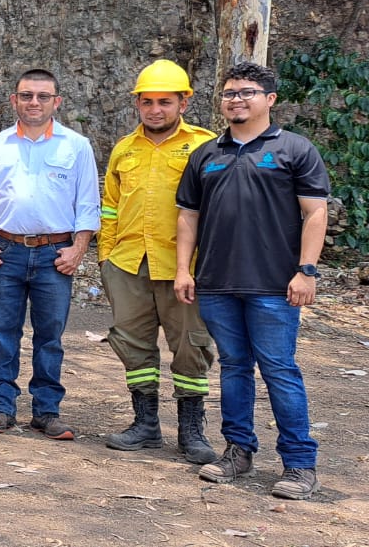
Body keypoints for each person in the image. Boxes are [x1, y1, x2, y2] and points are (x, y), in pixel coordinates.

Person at [175, 61, 330, 500]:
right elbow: (188, 216)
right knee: (234, 368)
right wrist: (185, 270)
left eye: (246, 92)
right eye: (229, 93)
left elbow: (315, 211)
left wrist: (306, 270)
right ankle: (237, 451)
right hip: (217, 283)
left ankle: (299, 464)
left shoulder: (293, 149)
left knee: (280, 370)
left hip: (274, 286)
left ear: (270, 100)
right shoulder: (206, 154)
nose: (236, 100)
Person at [0, 69, 100, 439]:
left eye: (43, 96)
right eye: (27, 95)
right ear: (14, 100)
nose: (34, 103)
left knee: (50, 335)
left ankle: (46, 410)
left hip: (55, 254)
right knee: (2, 333)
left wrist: (79, 248)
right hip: (5, 250)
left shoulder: (76, 146)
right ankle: (2, 405)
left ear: (56, 101)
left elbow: (88, 203)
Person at [99, 59, 217, 462]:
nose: (155, 110)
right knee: (133, 345)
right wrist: (106, 258)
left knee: (190, 346)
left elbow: (217, 209)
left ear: (184, 102)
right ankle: (145, 425)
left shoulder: (205, 146)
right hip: (129, 264)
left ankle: (191, 432)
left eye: (165, 102)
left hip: (186, 266)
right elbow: (110, 207)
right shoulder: (124, 149)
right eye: (147, 102)